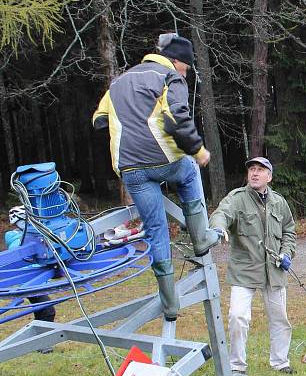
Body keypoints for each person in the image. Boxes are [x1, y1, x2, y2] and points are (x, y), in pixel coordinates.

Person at [92, 33, 219, 322]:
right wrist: (198, 150)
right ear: (176, 61)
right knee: (189, 169)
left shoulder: (118, 82)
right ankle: (200, 236)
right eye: (185, 67)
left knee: (156, 229)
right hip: (162, 157)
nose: (185, 73)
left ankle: (170, 303)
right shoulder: (169, 78)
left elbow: (99, 120)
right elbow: (177, 120)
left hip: (129, 168)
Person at [208, 157, 296, 376]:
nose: (255, 173)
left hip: (274, 271)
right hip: (244, 269)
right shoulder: (237, 199)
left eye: (260, 170)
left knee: (280, 318)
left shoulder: (279, 202)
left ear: (270, 176)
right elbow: (221, 214)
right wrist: (218, 229)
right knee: (237, 316)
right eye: (252, 170)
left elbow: (289, 231)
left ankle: (280, 362)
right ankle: (237, 367)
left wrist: (286, 253)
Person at [5, 206, 56, 352]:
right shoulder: (18, 241)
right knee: (48, 311)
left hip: (34, 281)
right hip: (29, 283)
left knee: (41, 311)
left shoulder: (26, 237)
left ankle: (36, 343)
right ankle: (40, 343)